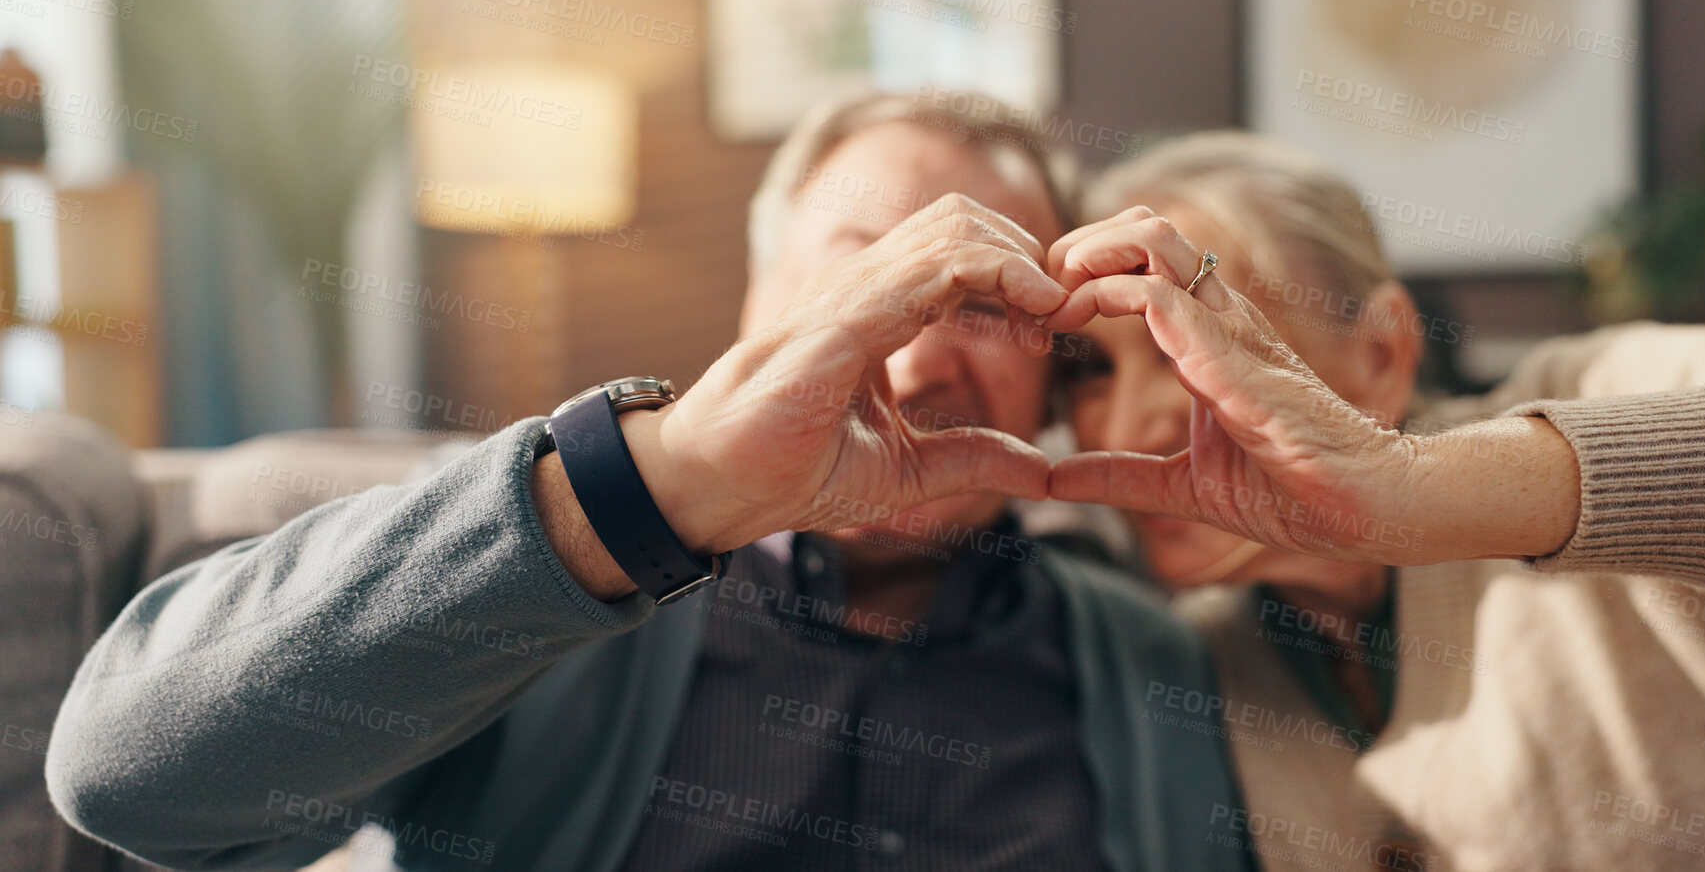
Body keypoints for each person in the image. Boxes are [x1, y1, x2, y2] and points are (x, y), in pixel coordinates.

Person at [47, 93, 1248, 872]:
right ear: (761, 309)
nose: (928, 352)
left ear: (1054, 358)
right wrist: (651, 490)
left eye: (991, 301)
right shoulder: (539, 593)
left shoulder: (1156, 663)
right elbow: (128, 779)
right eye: (876, 281)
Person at [1047, 130, 1705, 869]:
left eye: (1198, 338)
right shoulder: (1187, 655)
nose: (1131, 418)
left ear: (1384, 354)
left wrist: (1425, 488)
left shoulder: (1601, 386)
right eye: (1090, 368)